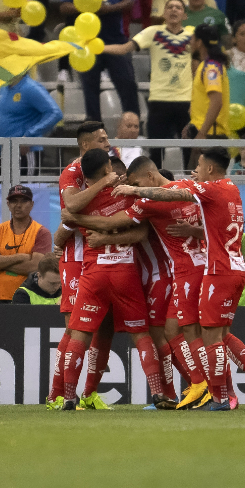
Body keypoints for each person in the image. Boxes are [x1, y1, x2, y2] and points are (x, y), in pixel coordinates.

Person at [113, 147, 245, 410]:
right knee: (218, 334)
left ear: (210, 168)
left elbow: (175, 193)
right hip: (233, 266)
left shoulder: (207, 190)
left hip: (214, 270)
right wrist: (195, 229)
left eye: (198, 166)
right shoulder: (231, 189)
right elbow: (219, 225)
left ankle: (215, 392)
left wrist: (133, 191)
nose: (194, 171)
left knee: (199, 333)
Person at [59, 149, 167, 411]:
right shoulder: (125, 194)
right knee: (140, 334)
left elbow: (67, 217)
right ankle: (157, 391)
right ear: (108, 167)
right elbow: (141, 233)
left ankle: (69, 397)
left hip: (93, 274)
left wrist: (84, 222)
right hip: (124, 272)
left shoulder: (81, 202)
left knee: (80, 335)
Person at [47, 121, 115, 410]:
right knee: (75, 329)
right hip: (77, 257)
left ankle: (89, 393)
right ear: (85, 145)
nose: (108, 143)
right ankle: (57, 395)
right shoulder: (72, 173)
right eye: (101, 139)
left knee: (106, 327)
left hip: (106, 258)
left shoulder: (111, 166)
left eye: (107, 138)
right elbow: (71, 208)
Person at [104, 0, 193, 168]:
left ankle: (191, 183)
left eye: (178, 7)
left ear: (184, 15)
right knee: (156, 152)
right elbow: (124, 48)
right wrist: (97, 48)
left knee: (189, 151)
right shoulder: (153, 32)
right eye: (170, 7)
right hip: (159, 101)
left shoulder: (192, 37)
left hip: (186, 101)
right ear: (164, 13)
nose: (174, 10)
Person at [60, 0, 140, 124]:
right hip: (87, 43)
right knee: (90, 91)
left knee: (128, 85)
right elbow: (64, 7)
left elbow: (130, 1)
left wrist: (108, 8)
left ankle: (133, 128)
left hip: (116, 41)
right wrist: (87, 8)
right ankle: (94, 131)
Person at [0, 185, 52, 303]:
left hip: (29, 297)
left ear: (32, 204)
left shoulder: (41, 232)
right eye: (14, 201)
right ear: (8, 204)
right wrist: (21, 257)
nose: (18, 205)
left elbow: (35, 267)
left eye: (24, 201)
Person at [0, 74, 62, 175]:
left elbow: (55, 113)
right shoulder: (4, 88)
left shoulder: (31, 87)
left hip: (25, 152)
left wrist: (29, 136)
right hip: (4, 151)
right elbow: (4, 118)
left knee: (24, 185)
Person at [185, 24, 229, 168]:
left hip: (210, 135)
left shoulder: (211, 68)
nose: (190, 42)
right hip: (205, 132)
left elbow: (216, 102)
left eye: (193, 39)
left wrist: (202, 133)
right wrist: (191, 124)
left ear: (199, 42)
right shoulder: (208, 65)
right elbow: (204, 101)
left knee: (203, 180)